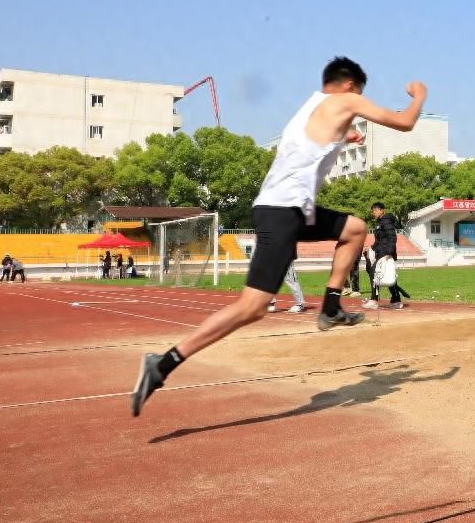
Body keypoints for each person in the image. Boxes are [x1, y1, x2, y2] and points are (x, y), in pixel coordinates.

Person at [130, 58, 426, 416]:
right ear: (350, 85)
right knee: (251, 307)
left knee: (354, 228)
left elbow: (313, 143)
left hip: (293, 211)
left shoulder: (310, 110)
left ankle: (331, 306)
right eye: (360, 93)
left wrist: (345, 137)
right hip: (283, 213)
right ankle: (162, 364)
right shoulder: (346, 100)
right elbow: (405, 122)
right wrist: (418, 95)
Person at [364, 202, 407, 310]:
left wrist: (389, 252)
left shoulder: (386, 221)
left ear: (382, 210)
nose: (374, 212)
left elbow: (392, 237)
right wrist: (370, 247)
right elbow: (379, 240)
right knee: (387, 275)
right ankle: (396, 301)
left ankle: (374, 300)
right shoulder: (380, 222)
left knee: (374, 273)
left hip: (385, 253)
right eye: (373, 210)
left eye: (376, 210)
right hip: (380, 252)